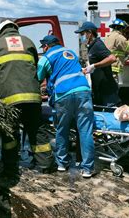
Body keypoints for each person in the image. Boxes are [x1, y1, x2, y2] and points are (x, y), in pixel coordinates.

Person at [0, 19, 54, 176]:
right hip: (32, 97)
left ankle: (10, 168)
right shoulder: (28, 42)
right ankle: (45, 164)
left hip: (9, 99)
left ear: (1, 31)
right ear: (15, 29)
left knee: (10, 133)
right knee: (36, 130)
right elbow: (35, 68)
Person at [37, 35, 95, 178]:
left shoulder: (46, 57)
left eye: (43, 47)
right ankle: (87, 168)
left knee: (62, 128)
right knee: (85, 130)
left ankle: (62, 163)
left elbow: (38, 77)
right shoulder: (70, 53)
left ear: (46, 46)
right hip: (83, 91)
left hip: (64, 94)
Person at [75, 21, 121, 107]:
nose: (81, 36)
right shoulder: (91, 46)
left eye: (82, 33)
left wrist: (94, 66)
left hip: (107, 89)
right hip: (99, 88)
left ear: (89, 33)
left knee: (110, 114)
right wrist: (87, 69)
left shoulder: (98, 44)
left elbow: (112, 58)